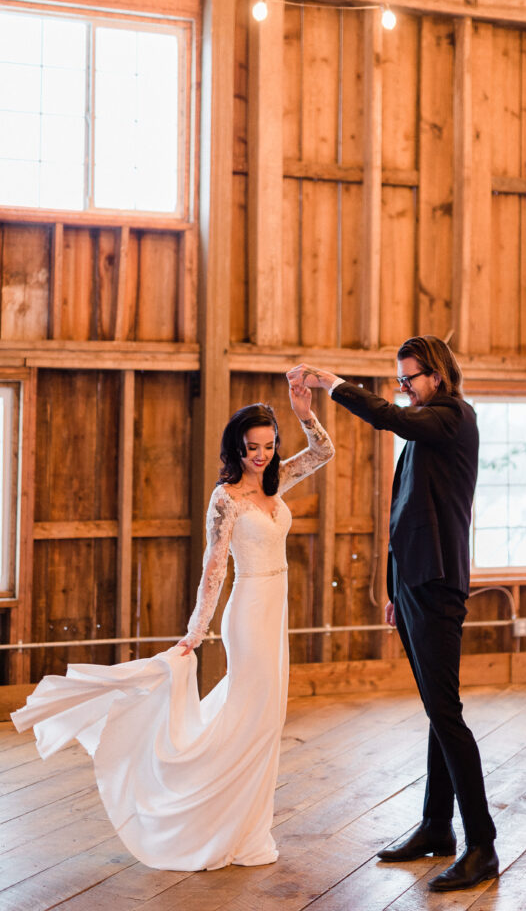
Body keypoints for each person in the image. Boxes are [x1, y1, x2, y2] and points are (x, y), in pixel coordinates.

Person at [12, 382, 334, 872]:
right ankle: (198, 814)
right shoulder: (225, 498)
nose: (262, 456)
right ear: (236, 448)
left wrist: (303, 411)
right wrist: (195, 632)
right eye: (252, 448)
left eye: (269, 446)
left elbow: (325, 450)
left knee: (266, 721)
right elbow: (214, 568)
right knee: (250, 718)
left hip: (278, 611)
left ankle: (247, 828)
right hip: (247, 612)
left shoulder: (275, 482)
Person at [287, 335, 497, 892]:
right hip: (412, 585)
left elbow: (386, 418)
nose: (402, 390)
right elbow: (408, 512)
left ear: (438, 375)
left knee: (446, 714)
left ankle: (482, 845)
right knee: (436, 709)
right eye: (399, 381)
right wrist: (392, 587)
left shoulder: (453, 416)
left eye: (409, 380)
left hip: (438, 587)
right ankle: (436, 826)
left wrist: (332, 384)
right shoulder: (426, 425)